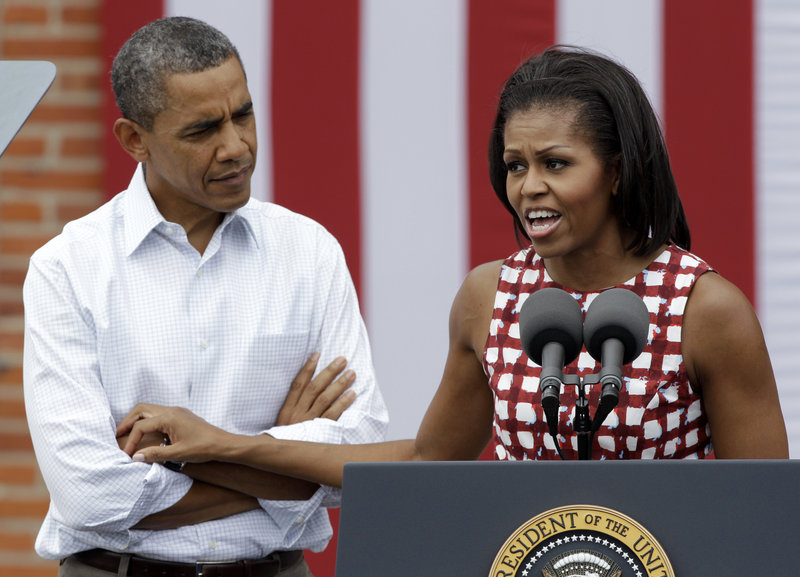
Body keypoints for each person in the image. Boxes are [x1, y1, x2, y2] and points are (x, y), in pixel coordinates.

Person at [117, 46, 789, 488]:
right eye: (515, 165)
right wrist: (230, 444)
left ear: (615, 171)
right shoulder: (490, 295)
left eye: (556, 164)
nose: (528, 187)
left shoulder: (705, 309)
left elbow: (763, 513)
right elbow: (430, 461)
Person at [23, 16, 388, 577]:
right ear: (133, 140)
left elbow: (358, 453)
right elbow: (90, 496)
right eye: (202, 131)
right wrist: (289, 460)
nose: (236, 146)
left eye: (243, 115)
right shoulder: (66, 269)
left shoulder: (309, 252)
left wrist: (201, 449)